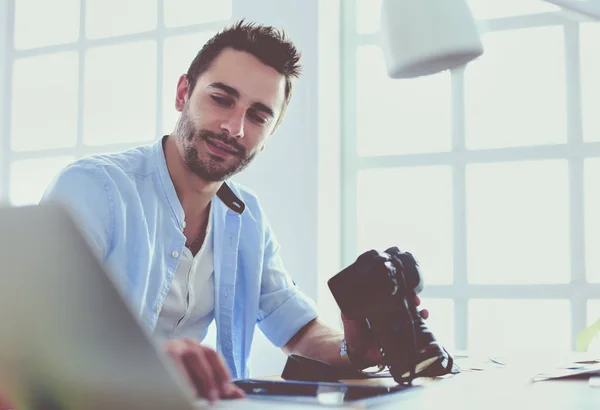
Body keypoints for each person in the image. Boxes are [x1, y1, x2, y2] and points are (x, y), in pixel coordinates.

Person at [2, 20, 428, 407]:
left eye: (258, 116)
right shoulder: (94, 188)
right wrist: (148, 363)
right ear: (183, 93)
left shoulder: (248, 218)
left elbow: (297, 329)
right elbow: (33, 345)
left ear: (271, 131)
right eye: (222, 99)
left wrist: (355, 348)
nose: (234, 128)